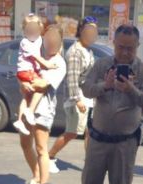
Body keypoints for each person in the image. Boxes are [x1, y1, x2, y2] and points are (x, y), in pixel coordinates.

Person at [67, 24, 143, 184]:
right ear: (113, 44)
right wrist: (104, 86)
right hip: (98, 138)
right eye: (121, 47)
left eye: (130, 48)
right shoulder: (101, 65)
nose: (125, 52)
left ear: (137, 47)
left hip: (125, 141)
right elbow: (85, 89)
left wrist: (131, 90)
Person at [19, 25, 66, 184]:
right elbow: (23, 75)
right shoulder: (38, 56)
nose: (50, 42)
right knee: (25, 144)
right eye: (48, 39)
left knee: (41, 148)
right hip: (28, 106)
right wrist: (23, 83)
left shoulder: (59, 63)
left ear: (60, 42)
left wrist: (29, 81)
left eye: (54, 39)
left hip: (43, 110)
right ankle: (37, 175)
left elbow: (42, 84)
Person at [47, 16, 98, 175]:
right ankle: (49, 157)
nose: (92, 34)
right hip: (76, 99)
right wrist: (77, 100)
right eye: (89, 31)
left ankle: (90, 162)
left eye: (94, 31)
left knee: (90, 131)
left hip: (87, 98)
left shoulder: (88, 50)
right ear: (81, 32)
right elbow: (72, 78)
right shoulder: (75, 52)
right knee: (72, 132)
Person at [12, 13, 58, 136]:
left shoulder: (39, 40)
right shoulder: (25, 42)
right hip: (26, 72)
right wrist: (48, 65)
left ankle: (20, 121)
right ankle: (30, 111)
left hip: (28, 72)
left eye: (35, 30)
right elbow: (36, 57)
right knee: (41, 88)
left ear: (39, 29)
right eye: (29, 30)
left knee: (26, 97)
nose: (32, 33)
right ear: (24, 30)